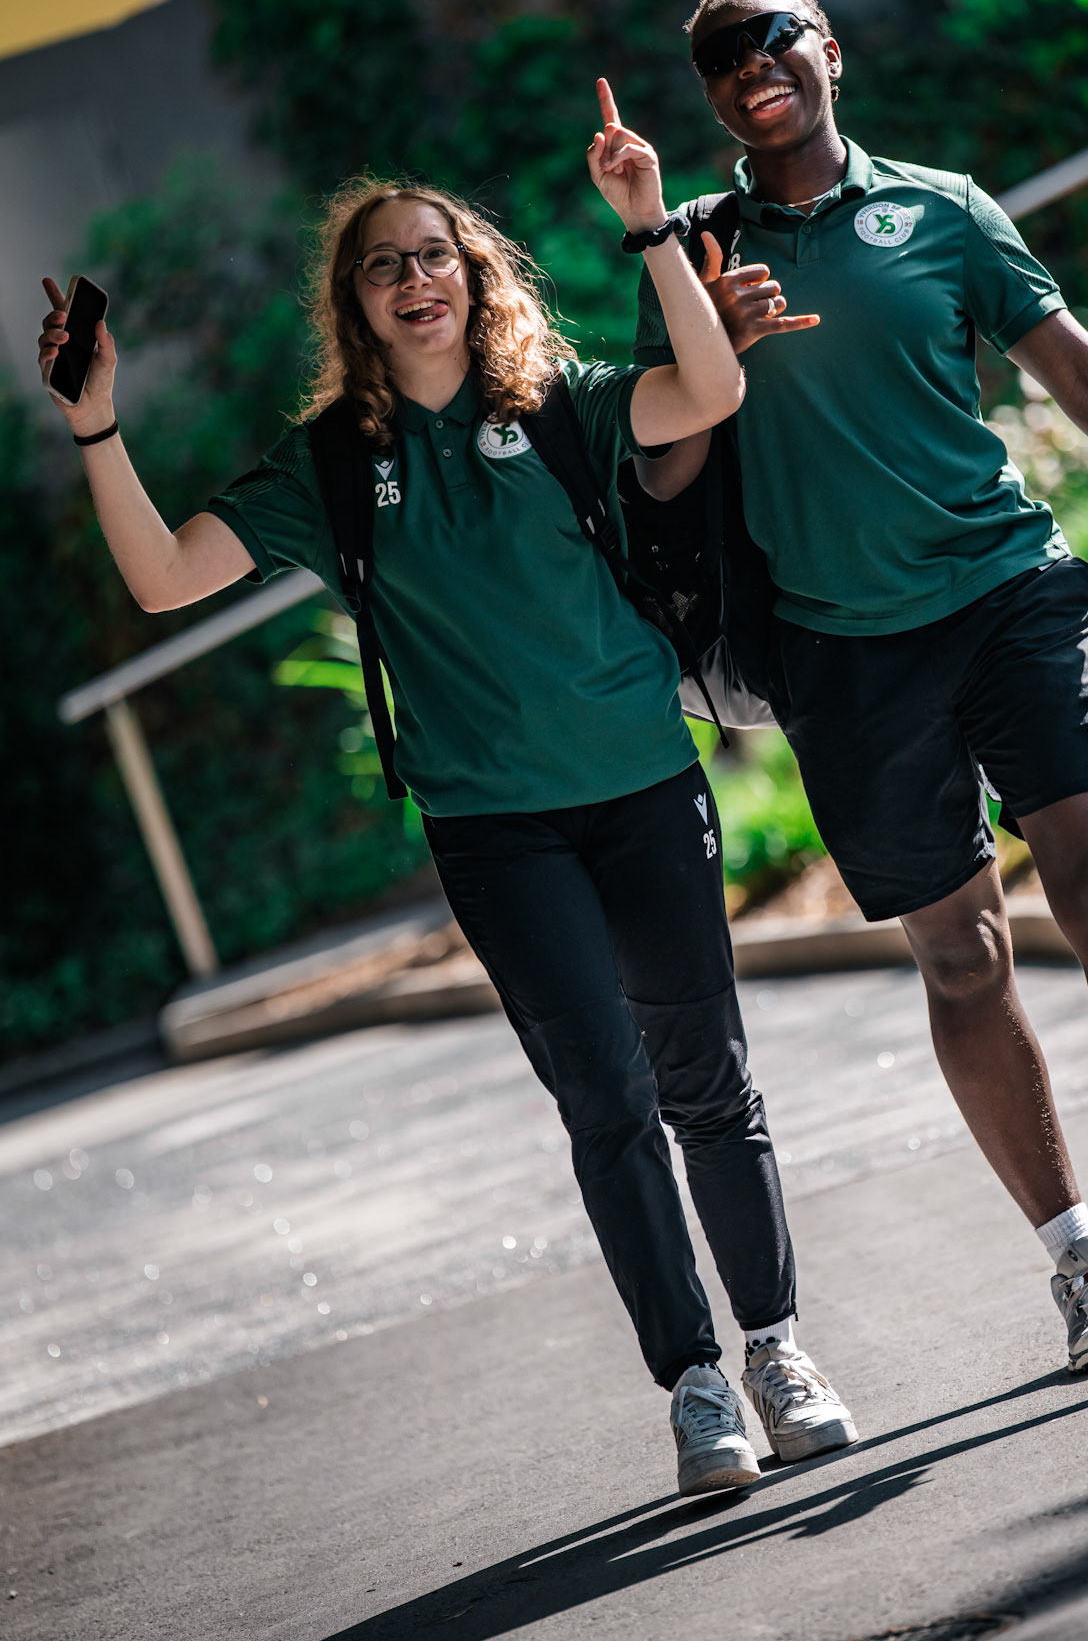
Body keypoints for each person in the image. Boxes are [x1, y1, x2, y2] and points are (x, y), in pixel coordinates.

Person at [39, 80, 857, 1493]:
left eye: (436, 254)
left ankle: (779, 1345)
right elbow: (166, 578)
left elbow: (711, 389)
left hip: (642, 783)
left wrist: (648, 222)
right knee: (603, 1099)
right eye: (383, 263)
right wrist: (98, 427)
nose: (414, 277)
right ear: (353, 304)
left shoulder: (568, 407)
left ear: (477, 281)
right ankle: (699, 1385)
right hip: (492, 826)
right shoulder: (333, 469)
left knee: (705, 1083)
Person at [633, 0, 1088, 1371]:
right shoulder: (692, 253)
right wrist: (722, 355)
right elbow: (660, 470)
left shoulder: (940, 207)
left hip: (1008, 590)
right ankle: (1081, 1266)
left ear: (826, 49)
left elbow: (1079, 377)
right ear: (708, 91)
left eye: (769, 35)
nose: (747, 65)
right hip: (839, 648)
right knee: (960, 952)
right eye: (718, 54)